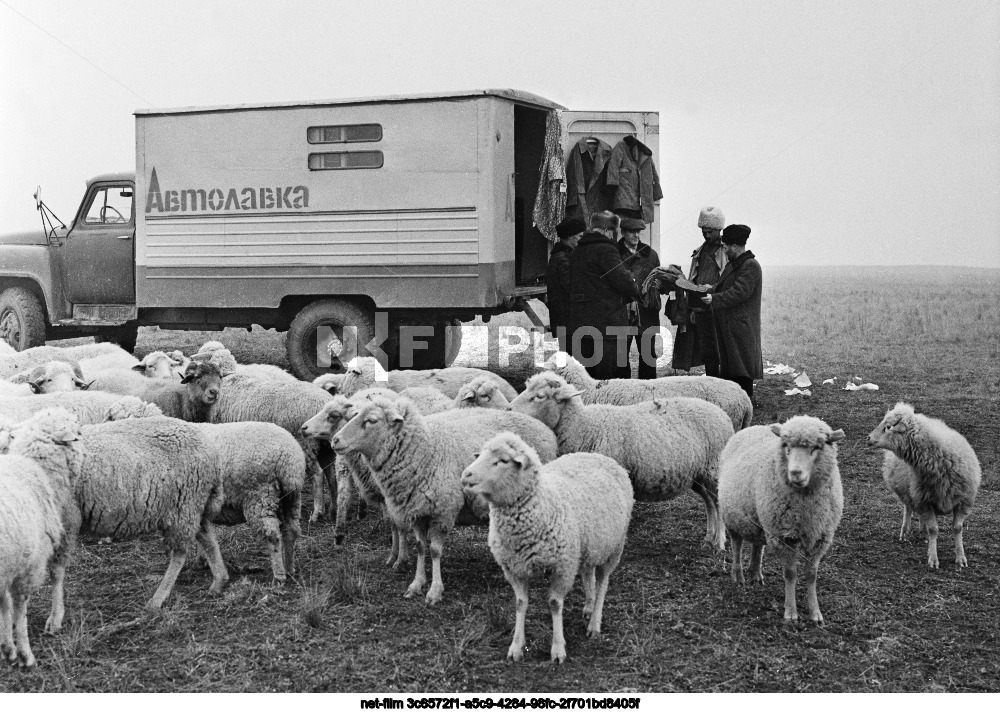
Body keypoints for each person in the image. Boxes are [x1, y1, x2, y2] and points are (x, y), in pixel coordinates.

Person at [567, 211, 640, 379]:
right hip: (607, 326)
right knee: (610, 379)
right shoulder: (607, 250)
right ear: (608, 231)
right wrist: (632, 280)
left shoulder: (576, 251)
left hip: (580, 324)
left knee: (587, 377)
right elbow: (625, 283)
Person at [700, 224, 763, 399]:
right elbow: (725, 286)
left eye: (726, 246)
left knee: (741, 369)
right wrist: (711, 289)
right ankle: (735, 402)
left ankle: (745, 404)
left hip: (741, 329)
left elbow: (740, 292)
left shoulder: (750, 266)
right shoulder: (734, 265)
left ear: (735, 246)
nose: (724, 249)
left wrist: (715, 299)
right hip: (731, 328)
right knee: (732, 368)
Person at [664, 206, 728, 376]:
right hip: (701, 308)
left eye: (710, 232)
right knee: (707, 350)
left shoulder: (726, 251)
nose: (707, 235)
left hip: (719, 306)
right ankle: (712, 381)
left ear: (719, 229)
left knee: (723, 349)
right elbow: (693, 281)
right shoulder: (699, 252)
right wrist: (692, 308)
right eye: (704, 232)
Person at [616, 217, 662, 379]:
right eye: (632, 232)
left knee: (648, 357)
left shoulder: (650, 255)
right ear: (622, 232)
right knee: (620, 358)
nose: (636, 235)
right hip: (622, 313)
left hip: (646, 313)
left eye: (638, 231)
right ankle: (622, 397)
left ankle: (650, 396)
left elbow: (659, 280)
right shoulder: (614, 253)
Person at [546, 217, 586, 351]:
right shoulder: (563, 258)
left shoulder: (560, 255)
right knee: (570, 357)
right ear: (569, 237)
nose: (582, 239)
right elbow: (571, 286)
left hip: (563, 319)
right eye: (580, 236)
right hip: (567, 319)